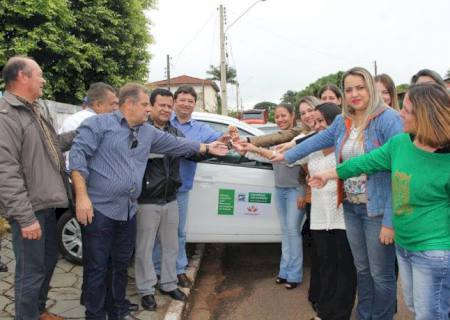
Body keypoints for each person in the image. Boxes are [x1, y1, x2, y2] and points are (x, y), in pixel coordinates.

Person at [69, 83, 227, 320]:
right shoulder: (98, 124)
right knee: (98, 267)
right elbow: (77, 159)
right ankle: (95, 314)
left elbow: (177, 144)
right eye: (145, 105)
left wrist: (206, 146)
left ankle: (117, 310)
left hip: (128, 211)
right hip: (99, 210)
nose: (148, 110)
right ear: (129, 104)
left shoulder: (146, 132)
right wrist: (82, 197)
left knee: (120, 264)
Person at [309, 83, 450, 320]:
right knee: (416, 307)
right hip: (404, 246)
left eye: (406, 110)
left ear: (425, 115)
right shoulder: (400, 144)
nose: (399, 114)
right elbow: (362, 163)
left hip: (433, 250)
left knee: (431, 314)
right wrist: (327, 174)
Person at [274, 67, 403, 320]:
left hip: (377, 209)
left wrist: (390, 221)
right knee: (363, 270)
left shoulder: (388, 119)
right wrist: (285, 155)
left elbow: (400, 173)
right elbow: (314, 141)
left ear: (370, 88)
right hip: (352, 208)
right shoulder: (344, 121)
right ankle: (365, 314)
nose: (354, 94)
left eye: (360, 87)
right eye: (349, 89)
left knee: (382, 274)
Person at [0, 56, 76, 320]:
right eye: (39, 74)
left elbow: (52, 145)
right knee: (29, 273)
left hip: (47, 204)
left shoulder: (33, 109)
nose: (43, 80)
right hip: (30, 211)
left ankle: (38, 310)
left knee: (47, 263)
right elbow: (5, 171)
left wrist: (84, 133)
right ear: (22, 76)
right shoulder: (6, 115)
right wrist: (25, 218)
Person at [153, 85, 228, 288]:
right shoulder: (162, 123)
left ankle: (178, 270)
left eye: (190, 101)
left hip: (182, 187)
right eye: (182, 100)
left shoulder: (201, 129)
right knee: (157, 232)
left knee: (179, 231)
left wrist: (227, 137)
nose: (186, 104)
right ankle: (157, 271)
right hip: (156, 188)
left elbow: (218, 142)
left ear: (194, 105)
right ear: (175, 102)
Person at [235, 104, 306, 289]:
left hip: (295, 190)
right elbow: (268, 158)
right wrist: (247, 151)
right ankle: (284, 271)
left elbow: (293, 161)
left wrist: (304, 192)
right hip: (280, 189)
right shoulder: (277, 138)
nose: (280, 119)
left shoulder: (298, 138)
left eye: (284, 116)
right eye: (277, 116)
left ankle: (295, 275)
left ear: (293, 116)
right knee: (285, 231)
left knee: (293, 231)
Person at [297, 103, 356, 320]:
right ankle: (324, 313)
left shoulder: (346, 145)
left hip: (344, 215)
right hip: (320, 218)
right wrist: (249, 147)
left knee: (345, 269)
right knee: (326, 266)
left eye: (322, 120)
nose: (318, 125)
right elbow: (283, 154)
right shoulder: (311, 146)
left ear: (335, 121)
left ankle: (340, 315)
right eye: (315, 121)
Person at [135, 88, 191, 311]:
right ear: (151, 106)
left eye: (170, 106)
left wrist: (215, 147)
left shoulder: (176, 132)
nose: (167, 109)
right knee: (144, 248)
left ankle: (168, 283)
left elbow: (192, 152)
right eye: (162, 105)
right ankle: (146, 290)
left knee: (171, 245)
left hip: (170, 198)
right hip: (146, 199)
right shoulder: (140, 130)